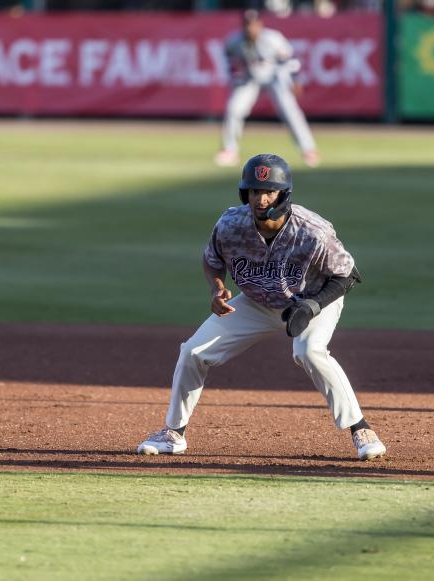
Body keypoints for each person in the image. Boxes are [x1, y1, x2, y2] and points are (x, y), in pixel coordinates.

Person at [137, 153, 386, 461]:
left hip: (312, 299)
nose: (261, 198)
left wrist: (312, 305)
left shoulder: (312, 230)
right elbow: (212, 259)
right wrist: (216, 288)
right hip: (256, 303)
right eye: (255, 191)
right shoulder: (230, 224)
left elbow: (347, 274)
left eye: (269, 191)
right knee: (193, 352)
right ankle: (173, 433)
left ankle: (361, 429)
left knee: (308, 351)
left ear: (284, 194)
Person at [214, 10, 320, 168]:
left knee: (289, 110)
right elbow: (228, 57)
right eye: (248, 25)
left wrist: (295, 80)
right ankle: (230, 150)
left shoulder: (273, 38)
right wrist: (236, 75)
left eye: (254, 25)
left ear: (260, 25)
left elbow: (291, 59)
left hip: (275, 75)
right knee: (234, 109)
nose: (251, 28)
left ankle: (308, 149)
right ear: (243, 26)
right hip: (250, 76)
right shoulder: (235, 41)